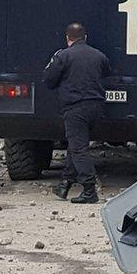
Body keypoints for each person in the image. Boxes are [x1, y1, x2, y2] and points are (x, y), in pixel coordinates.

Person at [43, 22, 111, 204]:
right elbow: (107, 73)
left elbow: (48, 80)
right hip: (96, 107)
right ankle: (65, 184)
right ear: (85, 38)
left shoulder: (63, 56)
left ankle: (89, 190)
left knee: (78, 149)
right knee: (76, 145)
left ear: (67, 38)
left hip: (75, 107)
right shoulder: (99, 56)